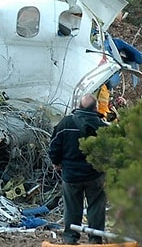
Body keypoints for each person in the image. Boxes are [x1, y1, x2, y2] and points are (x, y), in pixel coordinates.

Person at [48, 94, 108, 244]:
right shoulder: (102, 126)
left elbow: (54, 147)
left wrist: (56, 163)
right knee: (96, 206)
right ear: (95, 108)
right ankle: (95, 239)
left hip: (71, 175)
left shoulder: (65, 123)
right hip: (95, 175)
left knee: (72, 207)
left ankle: (70, 238)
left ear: (79, 106)